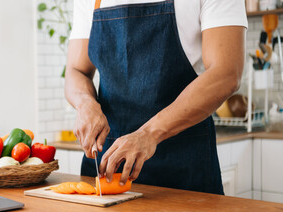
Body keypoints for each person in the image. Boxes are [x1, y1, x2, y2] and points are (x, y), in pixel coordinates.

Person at [64, 0, 247, 194]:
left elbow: (227, 73)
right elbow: (76, 70)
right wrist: (85, 104)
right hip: (109, 170)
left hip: (184, 169)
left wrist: (149, 134)